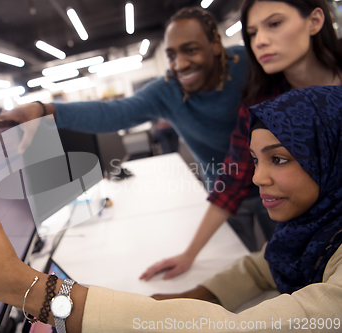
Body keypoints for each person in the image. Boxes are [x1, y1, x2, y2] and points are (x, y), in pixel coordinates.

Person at [0, 85, 342, 332]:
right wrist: (195, 295)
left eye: (280, 158)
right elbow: (261, 266)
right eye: (256, 160)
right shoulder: (315, 233)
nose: (256, 178)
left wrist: (27, 289)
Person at [1, 7, 276, 254]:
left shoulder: (251, 65)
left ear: (216, 44)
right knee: (237, 258)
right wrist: (46, 110)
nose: (180, 64)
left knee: (292, 258)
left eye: (190, 50)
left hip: (276, 181)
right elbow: (115, 112)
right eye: (171, 55)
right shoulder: (168, 90)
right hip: (222, 190)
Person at [140, 0, 342, 281]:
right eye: (252, 32)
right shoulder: (264, 101)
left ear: (315, 21)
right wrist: (190, 254)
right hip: (316, 244)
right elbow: (234, 175)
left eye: (274, 24)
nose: (260, 41)